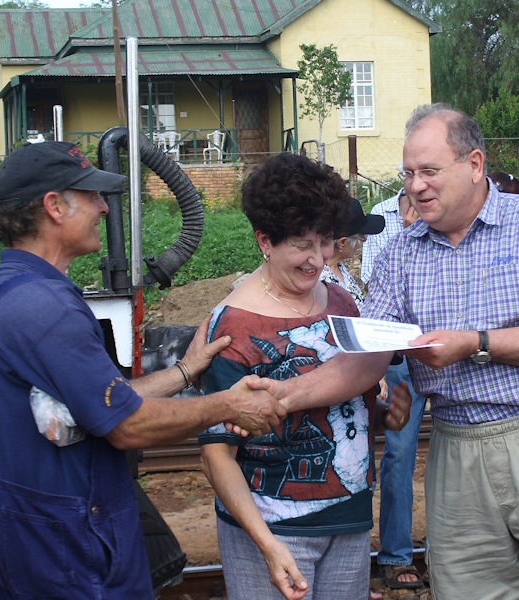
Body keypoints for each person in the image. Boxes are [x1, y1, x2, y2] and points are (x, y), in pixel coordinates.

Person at [259, 104, 519, 599]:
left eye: (429, 171)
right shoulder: (404, 252)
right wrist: (284, 395)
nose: (416, 186)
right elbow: (364, 356)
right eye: (408, 174)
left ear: (474, 164)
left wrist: (474, 344)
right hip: (455, 449)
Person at [0, 141, 286, 600]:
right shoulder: (45, 307)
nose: (102, 207)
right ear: (54, 206)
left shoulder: (7, 289)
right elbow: (126, 424)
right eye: (90, 195)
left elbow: (101, 398)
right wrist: (229, 404)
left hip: (41, 536)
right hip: (73, 551)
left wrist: (186, 371)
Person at [197, 152, 409, 600]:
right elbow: (217, 456)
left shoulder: (343, 305)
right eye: (300, 243)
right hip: (271, 530)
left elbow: (350, 409)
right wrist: (268, 546)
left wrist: (387, 414)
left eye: (326, 241)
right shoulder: (232, 326)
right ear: (265, 241)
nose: (317, 259)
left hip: (349, 521)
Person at [360, 188, 426, 591]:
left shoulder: (451, 213)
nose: (420, 180)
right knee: (399, 456)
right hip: (401, 358)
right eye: (412, 169)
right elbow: (373, 285)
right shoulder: (381, 215)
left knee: (465, 444)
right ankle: (397, 554)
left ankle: (456, 546)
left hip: (449, 348)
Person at [319, 196, 385, 309]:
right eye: (362, 237)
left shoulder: (338, 267)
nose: (364, 241)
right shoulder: (321, 280)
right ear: (342, 243)